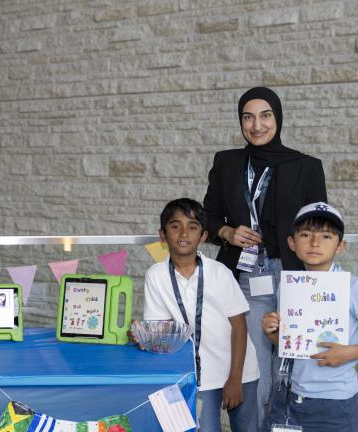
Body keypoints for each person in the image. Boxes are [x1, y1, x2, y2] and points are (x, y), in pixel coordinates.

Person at [203, 87, 327, 422]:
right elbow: (208, 216)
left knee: (290, 367)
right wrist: (228, 232)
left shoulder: (307, 167)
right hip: (247, 277)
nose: (257, 125)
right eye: (248, 116)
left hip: (295, 276)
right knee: (252, 370)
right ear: (241, 121)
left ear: (278, 118)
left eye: (265, 115)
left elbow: (319, 225)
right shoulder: (227, 162)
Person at [139, 198, 260, 431]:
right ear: (162, 235)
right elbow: (162, 330)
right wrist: (144, 338)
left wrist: (235, 377)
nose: (184, 233)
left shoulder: (219, 272)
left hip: (239, 369)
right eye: (175, 226)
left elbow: (239, 326)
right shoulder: (155, 276)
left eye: (192, 227)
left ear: (203, 236)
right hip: (197, 376)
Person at [261, 202, 358, 430]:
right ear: (292, 243)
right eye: (305, 234)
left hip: (336, 401)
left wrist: (349, 353)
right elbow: (289, 344)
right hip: (289, 396)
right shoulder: (289, 287)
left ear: (340, 246)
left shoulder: (351, 287)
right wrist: (272, 332)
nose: (314, 243)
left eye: (326, 236)